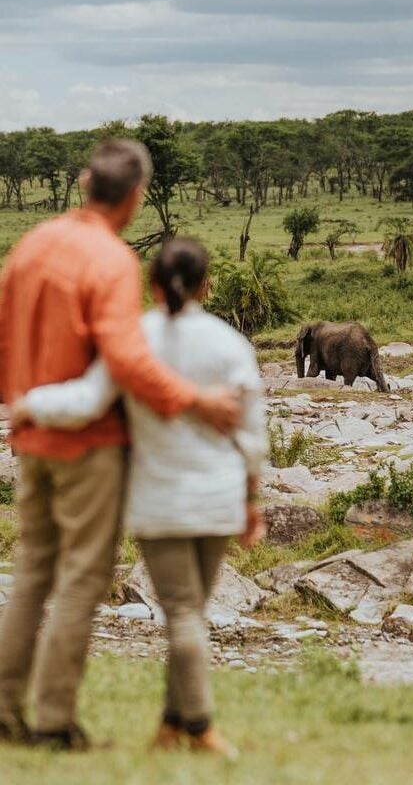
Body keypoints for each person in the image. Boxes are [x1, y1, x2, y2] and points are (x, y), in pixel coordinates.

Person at [0, 140, 242, 751]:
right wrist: (196, 400)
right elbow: (126, 357)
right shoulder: (110, 260)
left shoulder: (32, 244)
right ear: (136, 197)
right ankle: (55, 722)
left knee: (31, 573)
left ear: (84, 182)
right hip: (88, 445)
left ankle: (4, 711)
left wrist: (19, 405)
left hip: (32, 436)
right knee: (82, 579)